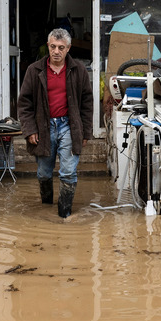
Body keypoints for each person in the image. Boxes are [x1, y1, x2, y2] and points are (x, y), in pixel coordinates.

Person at [17, 28, 94, 218]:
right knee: (44, 172)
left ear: (68, 48)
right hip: (43, 126)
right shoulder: (34, 70)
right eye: (53, 47)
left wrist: (85, 132)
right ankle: (46, 206)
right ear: (48, 47)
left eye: (61, 47)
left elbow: (87, 103)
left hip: (69, 125)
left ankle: (64, 215)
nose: (56, 51)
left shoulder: (79, 71)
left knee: (68, 171)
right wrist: (29, 130)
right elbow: (24, 103)